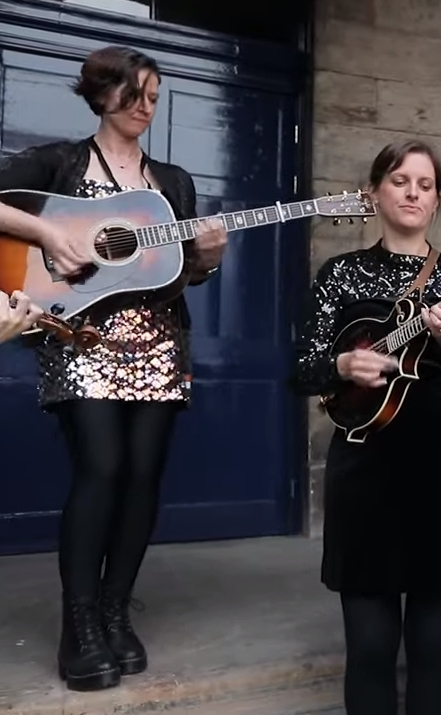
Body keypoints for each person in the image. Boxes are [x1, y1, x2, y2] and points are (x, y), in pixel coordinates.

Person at [0, 46, 227, 692]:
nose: (145, 106)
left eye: (154, 96)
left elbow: (183, 273)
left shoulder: (175, 183)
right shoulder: (61, 162)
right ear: (103, 92)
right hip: (81, 338)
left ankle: (113, 611)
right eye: (136, 92)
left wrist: (208, 258)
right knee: (100, 469)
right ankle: (80, 625)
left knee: (142, 478)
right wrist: (47, 234)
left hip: (159, 345)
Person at [292, 139, 441, 715]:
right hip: (366, 470)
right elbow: (302, 372)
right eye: (400, 181)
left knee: (435, 649)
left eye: (425, 185)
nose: (412, 192)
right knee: (370, 647)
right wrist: (340, 364)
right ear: (376, 193)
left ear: (437, 202)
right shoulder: (341, 274)